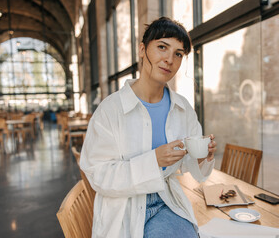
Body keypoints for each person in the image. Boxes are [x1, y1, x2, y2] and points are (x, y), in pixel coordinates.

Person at [80, 17, 217, 238]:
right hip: (123, 206)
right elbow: (98, 174)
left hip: (166, 200)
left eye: (178, 54)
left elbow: (189, 164)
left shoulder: (183, 107)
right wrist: (152, 161)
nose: (169, 59)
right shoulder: (110, 110)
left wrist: (203, 157)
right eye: (162, 47)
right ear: (143, 49)